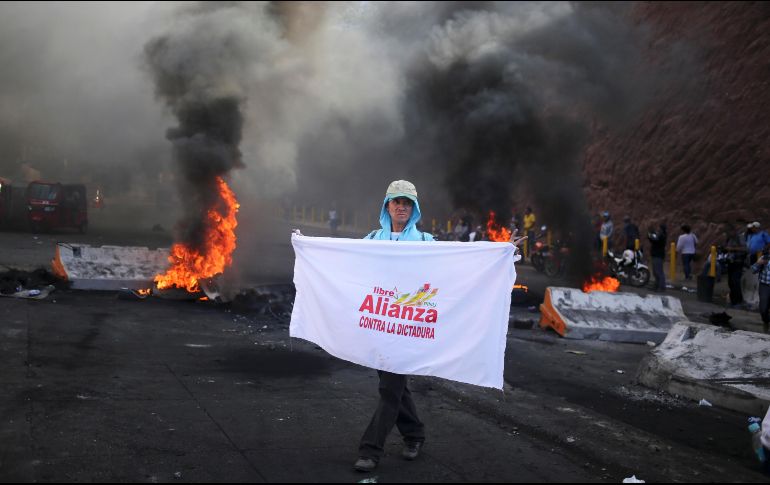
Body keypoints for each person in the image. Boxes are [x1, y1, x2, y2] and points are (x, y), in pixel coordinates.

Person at [355, 180, 433, 473]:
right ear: (387, 206)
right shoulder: (372, 239)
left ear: (414, 209)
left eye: (407, 202)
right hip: (378, 325)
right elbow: (343, 263)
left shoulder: (427, 242)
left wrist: (500, 252)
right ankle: (414, 435)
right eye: (396, 201)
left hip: (408, 329)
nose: (402, 206)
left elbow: (461, 262)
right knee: (396, 387)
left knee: (390, 388)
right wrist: (307, 245)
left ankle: (370, 450)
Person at [723, 224, 747, 307]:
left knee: (735, 281)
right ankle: (733, 300)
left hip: (738, 262)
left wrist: (732, 249)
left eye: (728, 232)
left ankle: (738, 301)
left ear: (733, 231)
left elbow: (745, 249)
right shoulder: (729, 238)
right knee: (730, 282)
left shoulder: (739, 237)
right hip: (730, 262)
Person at [751, 249, 770, 332]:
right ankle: (766, 321)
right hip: (764, 286)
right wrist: (759, 263)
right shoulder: (764, 258)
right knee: (763, 308)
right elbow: (753, 270)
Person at [648, 223, 667, 292]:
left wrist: (650, 234)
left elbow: (655, 239)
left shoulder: (661, 235)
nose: (658, 229)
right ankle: (657, 285)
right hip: (657, 255)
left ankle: (661, 286)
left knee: (658, 272)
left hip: (658, 255)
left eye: (659, 228)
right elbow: (653, 239)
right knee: (656, 272)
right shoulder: (661, 235)